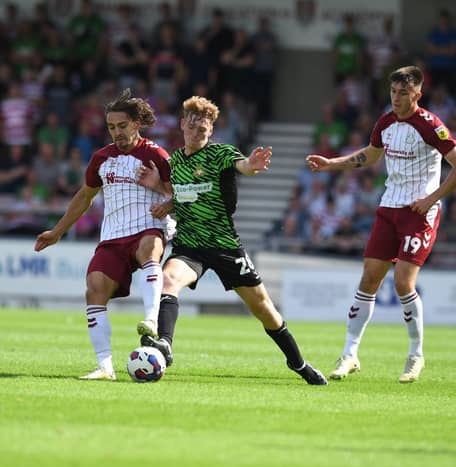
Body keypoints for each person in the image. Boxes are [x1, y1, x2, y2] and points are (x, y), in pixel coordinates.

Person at [138, 95, 328, 385]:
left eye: (203, 128)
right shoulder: (174, 161)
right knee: (167, 280)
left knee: (264, 309)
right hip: (190, 246)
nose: (197, 131)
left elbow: (243, 167)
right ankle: (165, 344)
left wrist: (252, 164)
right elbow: (185, 195)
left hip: (225, 245)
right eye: (192, 126)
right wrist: (167, 200)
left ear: (211, 131)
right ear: (182, 125)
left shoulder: (221, 154)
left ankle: (299, 364)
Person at [306, 66, 456, 383]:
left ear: (417, 94)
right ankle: (349, 353)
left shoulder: (430, 126)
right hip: (389, 208)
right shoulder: (386, 122)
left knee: (403, 282)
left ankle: (415, 355)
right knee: (369, 279)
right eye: (393, 92)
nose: (397, 98)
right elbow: (371, 156)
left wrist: (432, 199)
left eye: (404, 93)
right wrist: (332, 163)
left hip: (419, 212)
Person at [34, 89, 173, 381]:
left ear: (136, 123)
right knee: (94, 288)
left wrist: (161, 189)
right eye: (111, 127)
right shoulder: (101, 158)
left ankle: (150, 320)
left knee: (150, 251)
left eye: (122, 125)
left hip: (148, 226)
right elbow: (85, 197)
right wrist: (58, 232)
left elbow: (178, 194)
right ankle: (105, 367)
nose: (117, 132)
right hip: (113, 235)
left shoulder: (156, 155)